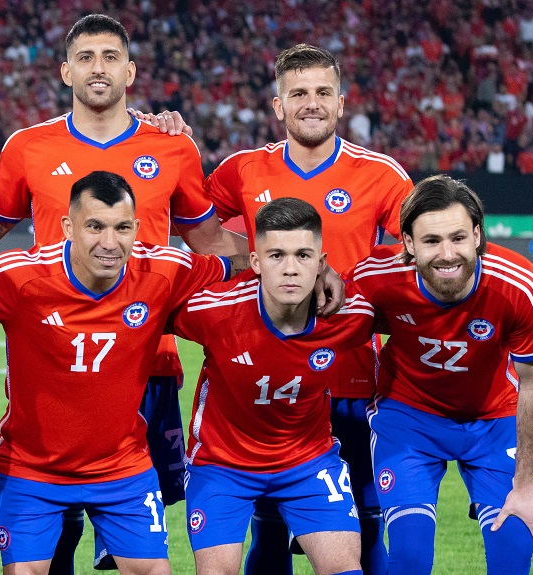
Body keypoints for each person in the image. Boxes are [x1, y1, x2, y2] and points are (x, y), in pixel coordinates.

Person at [0, 14, 246, 573]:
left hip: (146, 360)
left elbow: (210, 242)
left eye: (111, 56)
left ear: (130, 71)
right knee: (49, 538)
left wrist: (289, 251)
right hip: (51, 360)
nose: (98, 68)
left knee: (127, 551)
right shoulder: (28, 148)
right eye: (85, 57)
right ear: (65, 70)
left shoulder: (171, 147)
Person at [0, 171, 243, 574]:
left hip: (122, 468)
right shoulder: (19, 276)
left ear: (136, 228)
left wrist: (316, 274)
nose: (109, 242)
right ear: (68, 227)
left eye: (121, 228)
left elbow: (244, 266)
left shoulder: (165, 270)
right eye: (94, 226)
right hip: (32, 469)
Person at [202, 44, 413, 575]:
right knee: (269, 532)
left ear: (342, 103)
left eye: (323, 92)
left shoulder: (381, 174)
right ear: (278, 105)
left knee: (364, 525)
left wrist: (353, 283)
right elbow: (197, 234)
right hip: (265, 381)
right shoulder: (242, 172)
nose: (311, 103)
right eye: (298, 93)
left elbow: (415, 256)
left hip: (351, 380)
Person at [348, 175, 533, 575]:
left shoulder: (518, 285)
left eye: (458, 238)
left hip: (494, 419)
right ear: (407, 243)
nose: (447, 254)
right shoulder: (374, 279)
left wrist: (525, 484)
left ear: (477, 235)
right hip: (409, 417)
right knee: (408, 556)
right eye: (431, 241)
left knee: (515, 548)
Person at [169, 197, 373, 575]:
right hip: (222, 464)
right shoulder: (213, 311)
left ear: (322, 263)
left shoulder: (351, 315)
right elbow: (141, 306)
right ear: (256, 262)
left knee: (345, 569)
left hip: (308, 461)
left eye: (303, 256)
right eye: (276, 255)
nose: (291, 269)